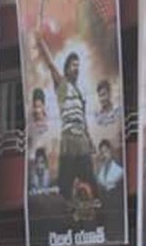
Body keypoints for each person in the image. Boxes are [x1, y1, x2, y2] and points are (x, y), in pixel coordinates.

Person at [34, 34, 98, 204]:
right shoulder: (62, 84)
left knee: (89, 177)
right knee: (65, 182)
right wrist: (41, 42)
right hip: (68, 138)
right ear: (67, 68)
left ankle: (90, 208)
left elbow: (83, 118)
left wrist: (89, 140)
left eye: (78, 66)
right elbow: (49, 63)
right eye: (73, 65)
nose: (76, 68)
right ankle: (67, 208)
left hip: (82, 139)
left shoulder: (80, 92)